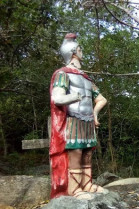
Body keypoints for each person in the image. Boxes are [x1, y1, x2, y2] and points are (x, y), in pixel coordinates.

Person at [49, 33, 107, 199]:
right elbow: (57, 98)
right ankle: (74, 189)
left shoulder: (86, 78)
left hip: (88, 121)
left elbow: (101, 99)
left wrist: (95, 114)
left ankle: (86, 184)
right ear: (74, 53)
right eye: (80, 49)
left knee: (87, 153)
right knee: (76, 153)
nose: (82, 52)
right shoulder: (62, 73)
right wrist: (75, 97)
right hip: (73, 120)